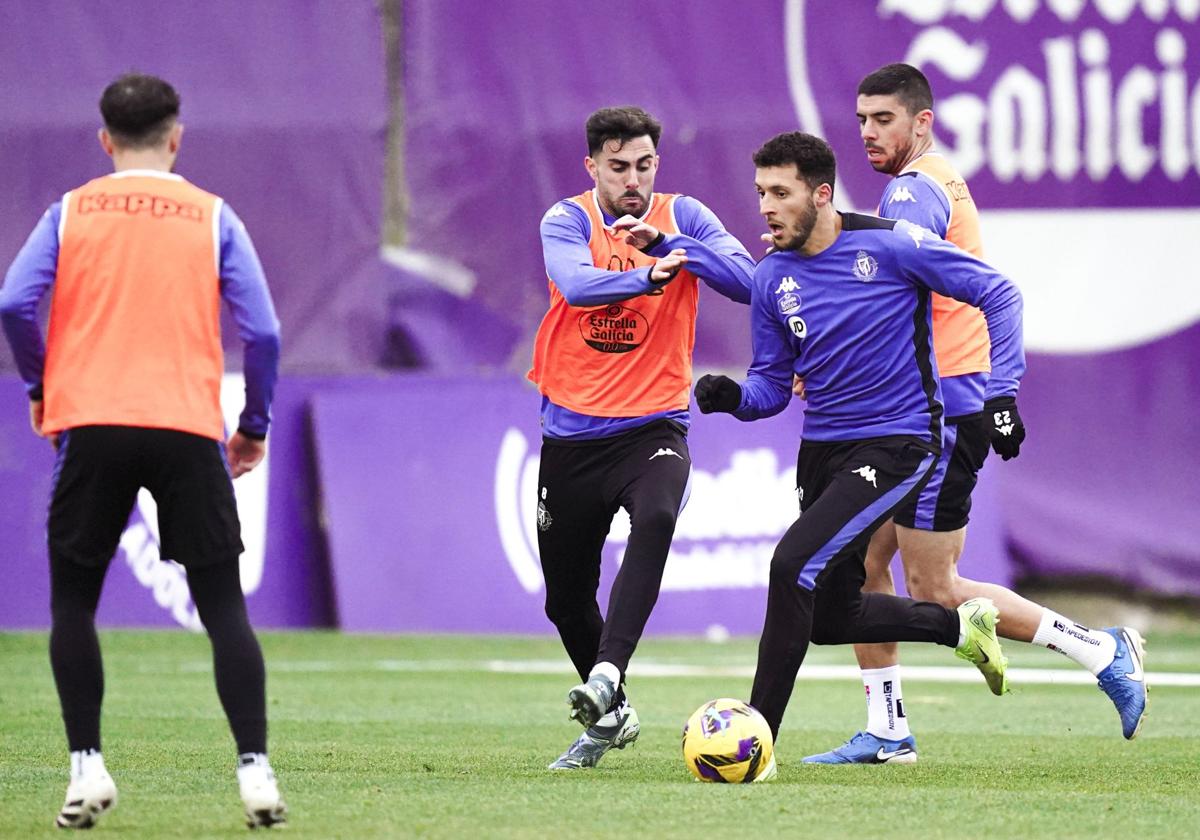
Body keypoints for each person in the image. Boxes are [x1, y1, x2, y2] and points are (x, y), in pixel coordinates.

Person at [800, 63, 1147, 765]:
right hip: (915, 407)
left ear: (921, 122)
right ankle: (889, 728)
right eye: (863, 118)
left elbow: (905, 284)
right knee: (865, 561)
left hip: (941, 415)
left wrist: (998, 393)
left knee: (936, 586)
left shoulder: (917, 189)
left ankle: (1101, 649)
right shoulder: (926, 181)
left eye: (884, 119)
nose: (868, 131)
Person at [0, 74, 287, 828]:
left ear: (105, 140)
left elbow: (11, 301)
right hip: (185, 427)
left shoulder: (69, 212)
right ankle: (255, 772)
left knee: (73, 604)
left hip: (91, 423)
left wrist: (42, 385)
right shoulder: (212, 214)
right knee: (223, 607)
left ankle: (85, 770)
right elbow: (263, 332)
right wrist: (253, 422)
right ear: (176, 136)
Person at [694, 130, 1031, 747]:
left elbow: (999, 292)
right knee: (830, 617)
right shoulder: (771, 277)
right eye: (760, 192)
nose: (766, 206)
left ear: (821, 195)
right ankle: (960, 628)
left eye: (781, 192)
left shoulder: (894, 244)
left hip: (900, 442)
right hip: (823, 449)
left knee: (790, 562)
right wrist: (735, 399)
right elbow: (771, 384)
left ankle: (755, 736)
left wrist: (1001, 391)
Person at [528, 105, 755, 771]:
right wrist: (644, 275)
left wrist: (670, 249)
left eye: (645, 165)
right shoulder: (567, 219)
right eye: (619, 166)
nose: (633, 178)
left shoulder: (683, 217)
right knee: (565, 599)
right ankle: (615, 714)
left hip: (653, 426)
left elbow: (749, 282)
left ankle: (605, 677)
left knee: (657, 514)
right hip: (571, 435)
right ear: (592, 166)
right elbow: (574, 285)